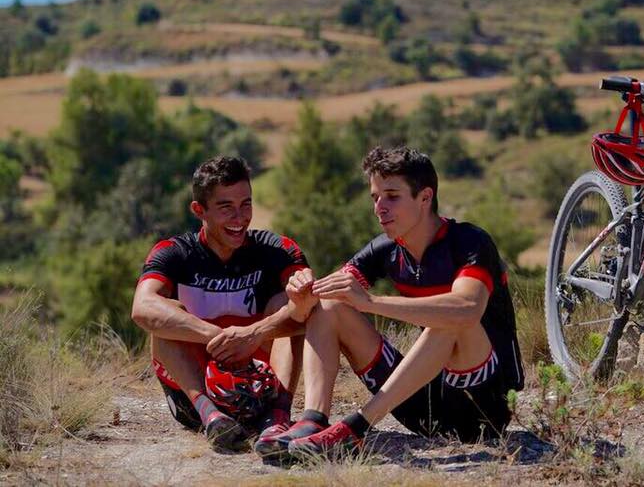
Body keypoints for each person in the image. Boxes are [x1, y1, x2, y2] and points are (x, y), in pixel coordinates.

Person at [255, 146, 525, 460]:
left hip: (486, 407)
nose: (379, 208)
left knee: (451, 318)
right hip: (423, 409)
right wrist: (300, 297)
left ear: (425, 198)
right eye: (375, 197)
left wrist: (371, 302)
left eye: (392, 196)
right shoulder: (385, 250)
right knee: (328, 306)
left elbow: (467, 309)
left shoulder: (469, 242)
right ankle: (313, 421)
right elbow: (322, 301)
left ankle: (355, 428)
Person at [130, 155, 310, 452]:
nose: (240, 218)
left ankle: (278, 417)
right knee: (164, 314)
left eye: (246, 205)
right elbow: (142, 308)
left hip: (260, 386)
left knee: (289, 303)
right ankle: (212, 417)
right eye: (226, 208)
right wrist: (216, 336)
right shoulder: (173, 253)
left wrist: (255, 333)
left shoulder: (276, 249)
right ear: (199, 210)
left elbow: (306, 300)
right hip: (195, 396)